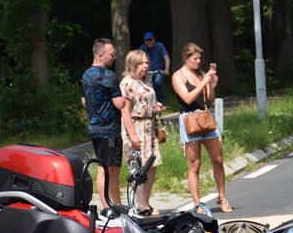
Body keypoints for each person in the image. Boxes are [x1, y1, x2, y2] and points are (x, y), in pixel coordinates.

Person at [171, 42, 232, 213]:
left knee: (218, 160)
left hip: (205, 118)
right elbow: (187, 98)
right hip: (189, 119)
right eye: (195, 59)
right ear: (186, 58)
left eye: (200, 59)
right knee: (195, 164)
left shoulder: (202, 74)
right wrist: (203, 82)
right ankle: (197, 204)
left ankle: (222, 197)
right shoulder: (178, 76)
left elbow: (209, 100)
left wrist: (211, 86)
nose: (198, 62)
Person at [81, 38, 127, 208]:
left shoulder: (86, 75)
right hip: (109, 129)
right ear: (100, 55)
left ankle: (117, 205)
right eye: (112, 54)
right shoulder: (108, 75)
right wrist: (127, 98)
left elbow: (84, 101)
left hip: (95, 127)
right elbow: (119, 103)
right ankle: (108, 207)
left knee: (109, 167)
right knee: (107, 168)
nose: (114, 57)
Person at [120, 49, 164, 215]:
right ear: (132, 64)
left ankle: (145, 202)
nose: (145, 66)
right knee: (139, 167)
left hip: (149, 126)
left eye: (146, 62)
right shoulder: (127, 83)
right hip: (136, 126)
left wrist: (156, 106)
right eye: (141, 63)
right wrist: (132, 135)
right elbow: (125, 111)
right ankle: (140, 205)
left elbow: (146, 100)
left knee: (151, 165)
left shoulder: (147, 80)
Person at [139, 32, 170, 104]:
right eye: (147, 40)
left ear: (154, 39)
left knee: (157, 82)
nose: (149, 41)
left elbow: (166, 58)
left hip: (159, 70)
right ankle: (150, 102)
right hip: (147, 71)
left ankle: (162, 101)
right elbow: (138, 59)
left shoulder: (160, 46)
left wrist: (167, 69)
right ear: (145, 41)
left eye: (150, 39)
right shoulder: (142, 48)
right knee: (147, 86)